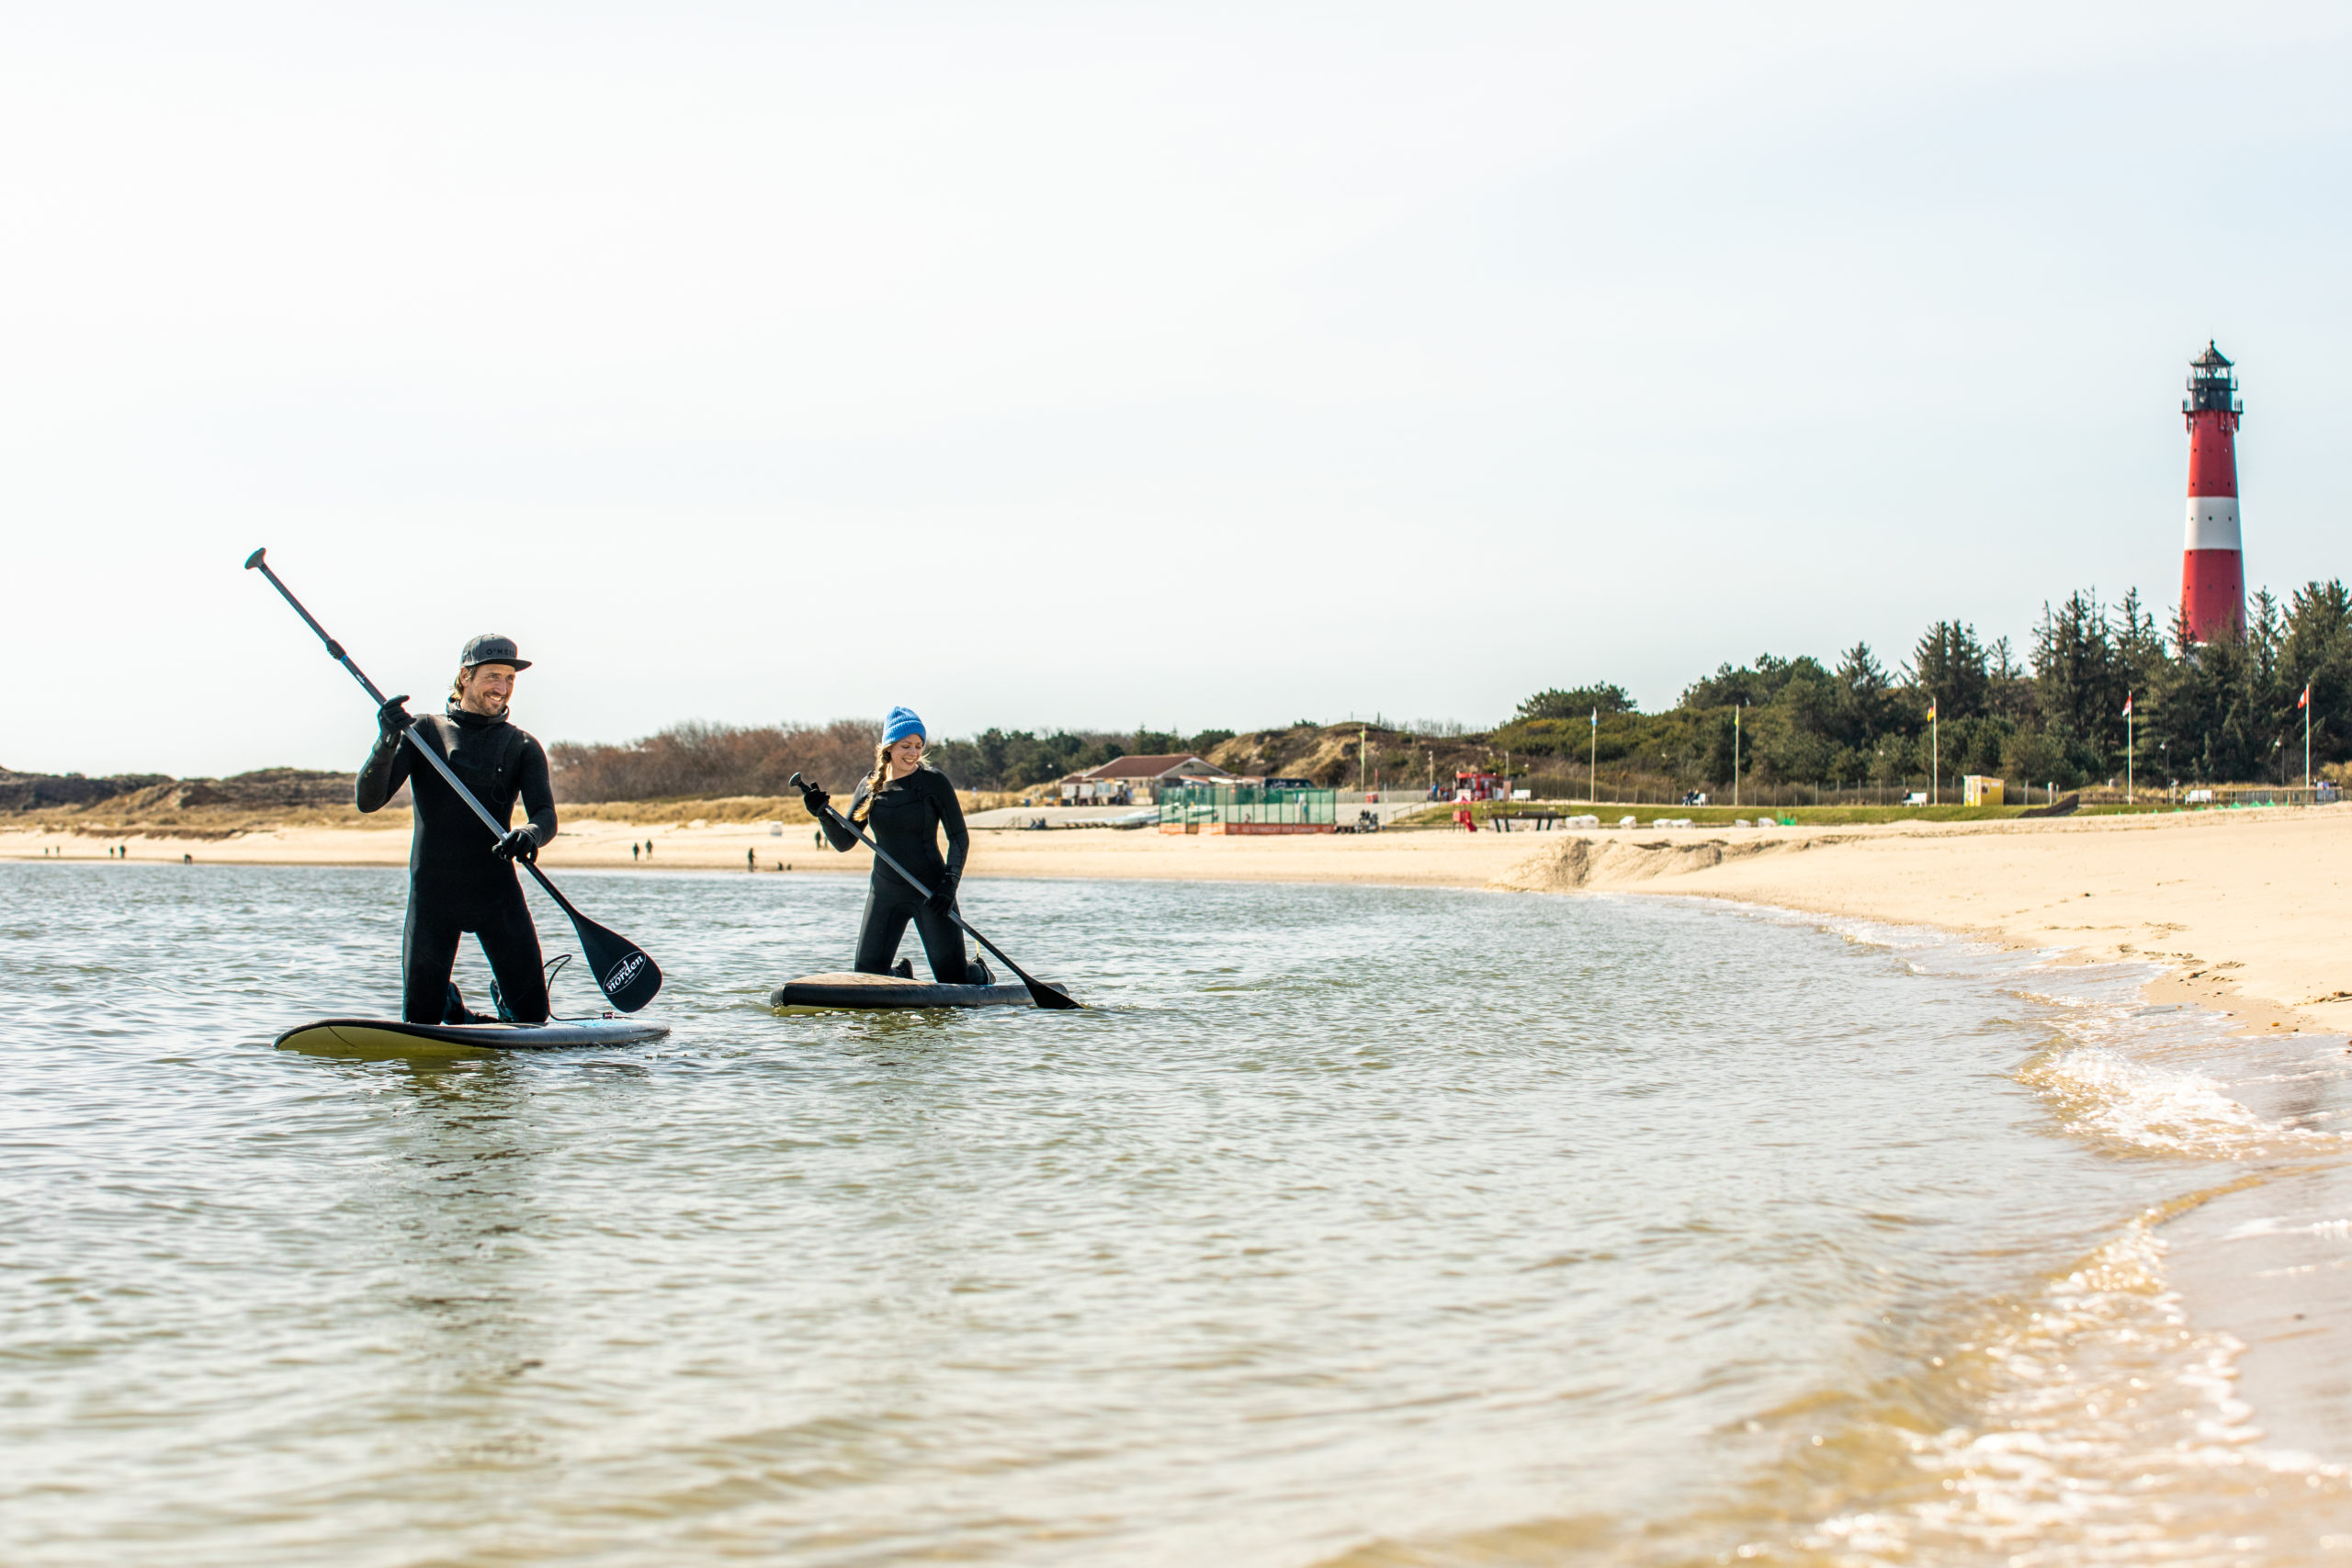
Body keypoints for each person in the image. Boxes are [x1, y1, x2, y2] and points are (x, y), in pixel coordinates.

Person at [356, 634, 557, 1024]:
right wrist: (386, 741)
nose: (502, 688)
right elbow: (369, 801)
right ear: (465, 676)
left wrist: (530, 834)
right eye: (492, 676)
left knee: (534, 1020)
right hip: (434, 898)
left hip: (497, 896)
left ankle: (478, 1017)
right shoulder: (423, 733)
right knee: (420, 1020)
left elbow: (545, 815)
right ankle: (452, 1011)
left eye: (510, 679)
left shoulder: (522, 745)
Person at [800, 706, 989, 984]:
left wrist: (949, 885)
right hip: (885, 892)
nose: (913, 753)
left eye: (918, 746)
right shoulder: (869, 787)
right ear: (889, 747)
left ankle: (980, 971)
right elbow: (845, 841)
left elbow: (959, 837)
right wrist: (822, 815)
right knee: (866, 978)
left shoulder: (933, 783)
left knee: (953, 980)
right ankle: (899, 976)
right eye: (906, 746)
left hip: (931, 892)